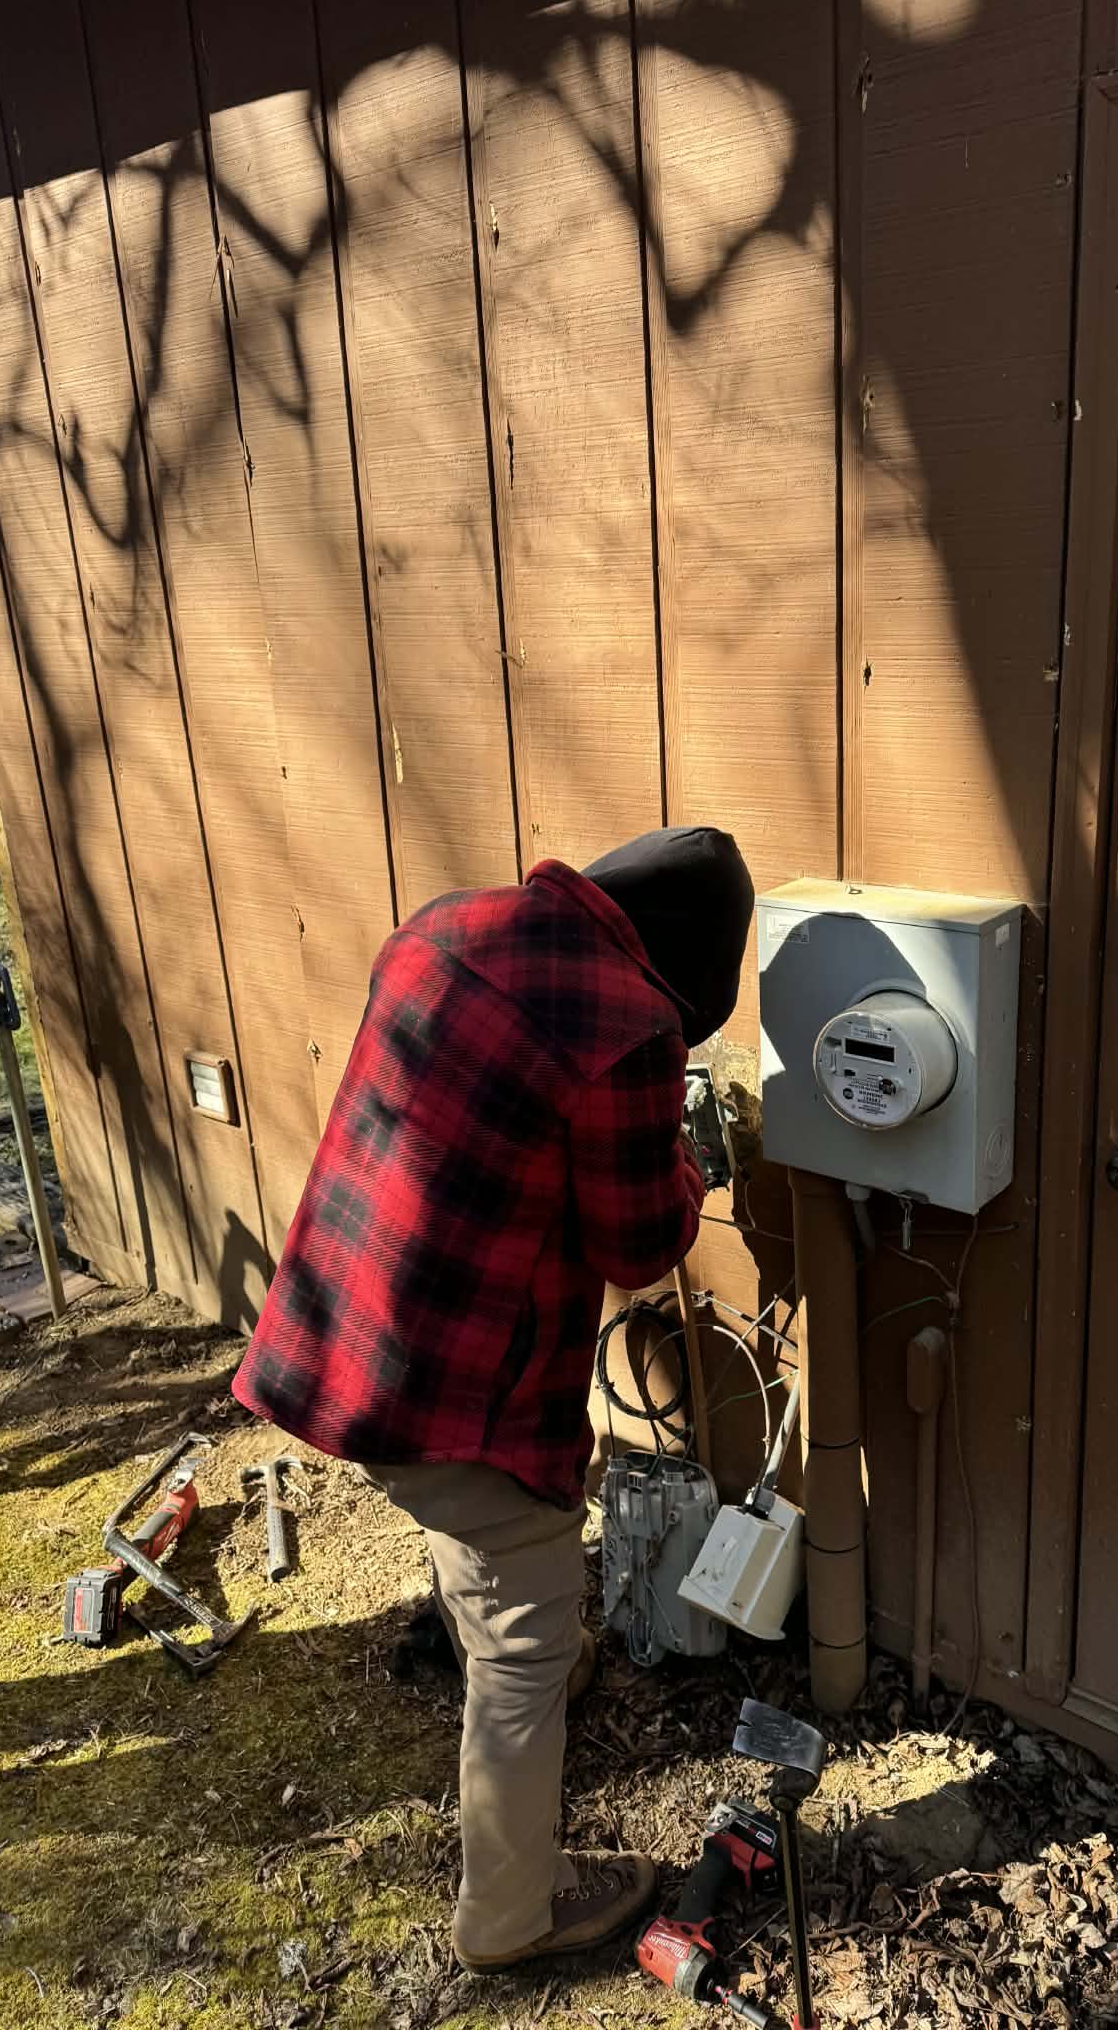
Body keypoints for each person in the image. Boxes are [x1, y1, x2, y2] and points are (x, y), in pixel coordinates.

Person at [231, 827, 754, 1970]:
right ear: (688, 969)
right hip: (461, 1395)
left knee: (476, 1543)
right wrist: (692, 1162)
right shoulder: (631, 1026)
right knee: (524, 1635)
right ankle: (510, 1915)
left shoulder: (442, 927)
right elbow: (638, 1238)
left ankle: (507, 1652)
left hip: (336, 1338)